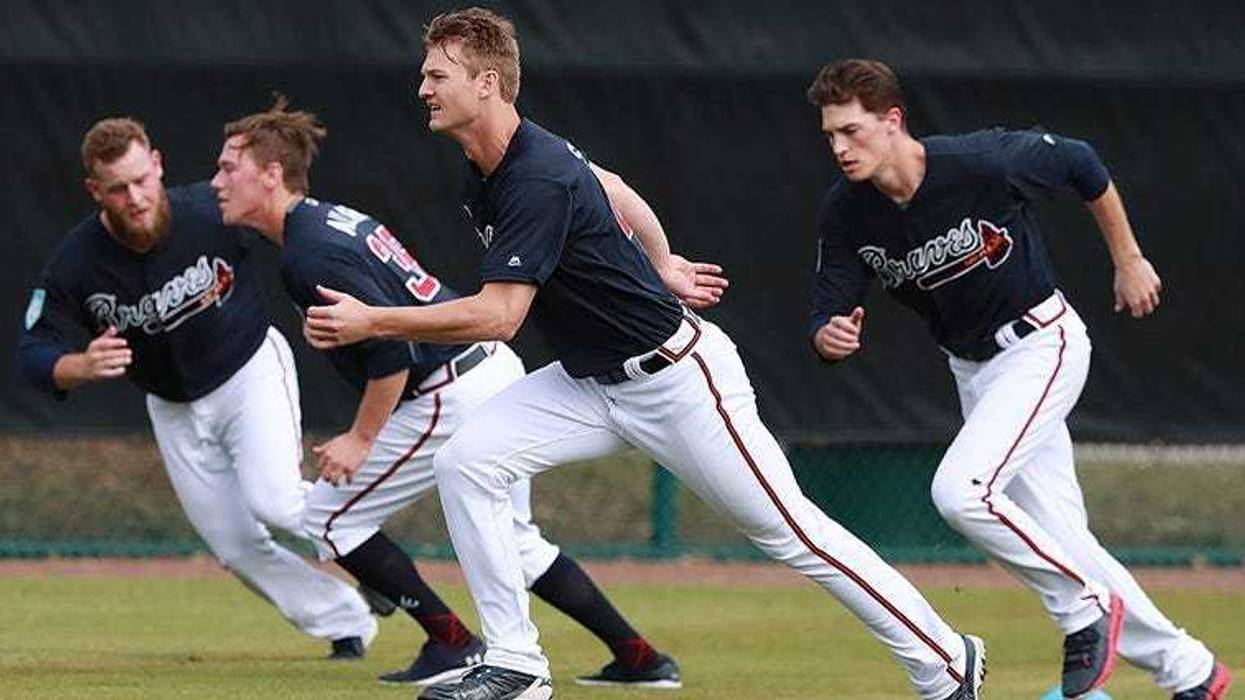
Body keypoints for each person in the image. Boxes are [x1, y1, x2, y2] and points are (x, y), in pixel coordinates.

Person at [304, 8, 986, 700]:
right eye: (424, 74)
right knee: (466, 461)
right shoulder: (500, 161)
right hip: (590, 383)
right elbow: (616, 187)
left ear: (486, 83)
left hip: (676, 380)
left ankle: (945, 657)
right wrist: (660, 262)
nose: (421, 87)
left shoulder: (532, 173)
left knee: (792, 534)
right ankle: (515, 663)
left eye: (436, 75)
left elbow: (501, 317)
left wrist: (372, 319)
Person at [208, 98, 682, 689]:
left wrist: (360, 438)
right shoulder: (330, 220)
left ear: (272, 174)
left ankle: (451, 642)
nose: (218, 180)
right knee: (515, 540)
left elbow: (390, 352)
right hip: (485, 371)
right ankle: (640, 659)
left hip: (446, 387)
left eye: (230, 167)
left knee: (330, 519)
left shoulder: (309, 253)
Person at [804, 59, 1232, 700]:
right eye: (830, 135)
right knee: (1065, 540)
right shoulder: (848, 212)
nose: (840, 147)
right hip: (974, 372)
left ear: (893, 121)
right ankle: (1191, 672)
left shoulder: (980, 164)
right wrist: (828, 335)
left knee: (960, 492)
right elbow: (829, 297)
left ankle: (1081, 608)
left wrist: (1129, 258)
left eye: (852, 130)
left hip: (1041, 344)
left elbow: (1082, 163)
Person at [15, 117, 378, 659]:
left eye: (141, 178)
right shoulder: (77, 261)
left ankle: (377, 562)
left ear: (157, 164)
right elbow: (32, 352)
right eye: (117, 187)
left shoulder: (211, 211)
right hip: (173, 405)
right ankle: (347, 622)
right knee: (234, 545)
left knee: (276, 500)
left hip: (247, 370)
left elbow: (292, 223)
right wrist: (78, 366)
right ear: (96, 191)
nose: (135, 196)